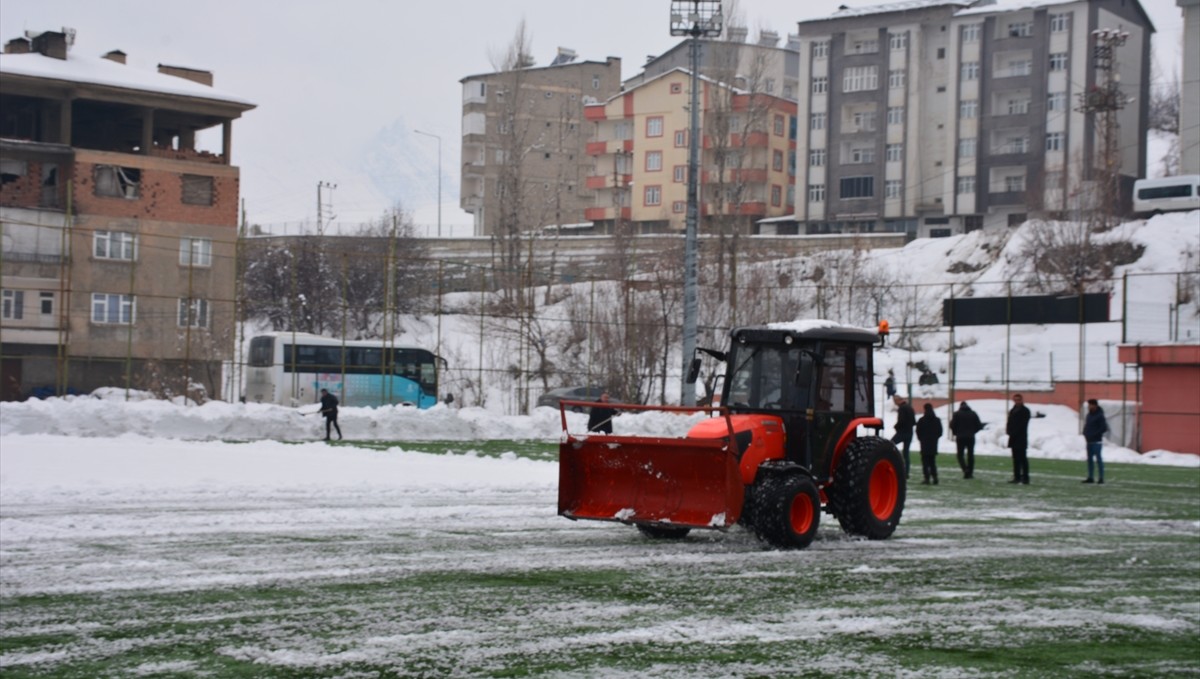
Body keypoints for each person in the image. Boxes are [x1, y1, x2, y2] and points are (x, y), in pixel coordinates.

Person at [949, 402, 983, 479]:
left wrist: (956, 432)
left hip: (960, 437)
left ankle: (965, 469)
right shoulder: (973, 414)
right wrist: (973, 431)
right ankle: (970, 472)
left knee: (960, 455)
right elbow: (979, 425)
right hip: (971, 437)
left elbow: (952, 425)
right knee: (970, 455)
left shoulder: (957, 414)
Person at [1006, 393, 1032, 484]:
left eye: (1018, 400)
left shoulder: (1025, 411)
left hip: (1021, 438)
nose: (1017, 401)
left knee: (1023, 458)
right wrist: (1008, 431)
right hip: (1013, 437)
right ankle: (1016, 477)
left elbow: (1022, 424)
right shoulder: (1012, 410)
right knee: (1015, 458)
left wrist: (1014, 432)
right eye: (1015, 400)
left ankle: (1025, 477)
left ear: (1021, 400)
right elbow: (1009, 422)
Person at [1082, 398, 1109, 484]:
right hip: (1089, 441)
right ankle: (1091, 477)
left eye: (1091, 405)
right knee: (1090, 460)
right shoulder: (1089, 415)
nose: (1089, 407)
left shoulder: (1100, 416)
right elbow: (1087, 425)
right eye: (1089, 405)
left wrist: (1095, 434)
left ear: (1095, 405)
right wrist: (1085, 432)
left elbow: (1104, 428)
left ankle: (1101, 478)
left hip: (1097, 441)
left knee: (1098, 460)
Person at [916, 403, 943, 485]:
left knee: (925, 462)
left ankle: (926, 478)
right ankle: (935, 477)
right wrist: (935, 438)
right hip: (933, 443)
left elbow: (918, 431)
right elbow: (940, 432)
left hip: (924, 443)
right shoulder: (937, 420)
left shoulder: (921, 420)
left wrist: (921, 439)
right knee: (932, 462)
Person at [891, 395, 916, 478]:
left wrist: (896, 427)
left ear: (898, 401)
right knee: (906, 453)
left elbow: (901, 420)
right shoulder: (910, 408)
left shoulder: (902, 408)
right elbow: (913, 422)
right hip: (909, 433)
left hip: (902, 432)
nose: (895, 403)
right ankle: (906, 473)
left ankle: (892, 463)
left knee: (890, 445)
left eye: (895, 401)